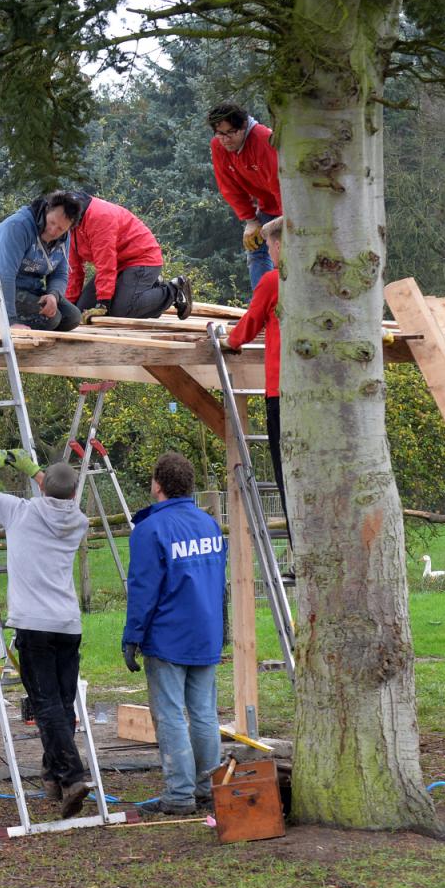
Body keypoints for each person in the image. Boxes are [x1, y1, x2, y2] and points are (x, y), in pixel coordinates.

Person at [0, 448, 93, 818]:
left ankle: (73, 777)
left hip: (34, 626)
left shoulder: (19, 511)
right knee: (62, 704)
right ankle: (54, 777)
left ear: (43, 489)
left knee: (46, 704)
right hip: (68, 625)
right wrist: (35, 470)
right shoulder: (78, 520)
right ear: (73, 492)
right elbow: (59, 496)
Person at [121, 452, 228, 816]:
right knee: (204, 714)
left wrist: (132, 636)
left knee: (169, 715)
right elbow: (219, 582)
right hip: (206, 632)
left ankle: (179, 795)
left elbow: (143, 589)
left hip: (168, 636)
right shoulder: (209, 525)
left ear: (158, 485)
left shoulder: (150, 530)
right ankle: (208, 789)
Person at [225, 216, 292, 549]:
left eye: (268, 246)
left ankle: (300, 552)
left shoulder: (273, 281)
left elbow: (250, 323)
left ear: (277, 246)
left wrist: (229, 341)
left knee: (286, 476)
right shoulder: (320, 283)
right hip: (315, 395)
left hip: (281, 391)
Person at [0, 190, 83, 332]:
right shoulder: (18, 226)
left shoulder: (65, 237)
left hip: (27, 288)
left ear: (69, 227)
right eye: (52, 222)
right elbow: (5, 275)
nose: (53, 231)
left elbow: (60, 274)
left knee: (72, 317)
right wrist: (10, 321)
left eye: (60, 229)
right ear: (47, 210)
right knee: (50, 320)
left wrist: (54, 295)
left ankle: (3, 315)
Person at [66, 193, 192, 321]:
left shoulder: (100, 217)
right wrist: (69, 306)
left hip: (141, 258)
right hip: (118, 264)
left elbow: (106, 263)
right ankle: (149, 296)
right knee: (81, 310)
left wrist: (102, 304)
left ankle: (174, 291)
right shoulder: (67, 225)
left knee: (121, 310)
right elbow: (73, 269)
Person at [208, 102, 282, 291]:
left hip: (288, 205)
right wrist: (250, 220)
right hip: (266, 205)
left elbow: (279, 183)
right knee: (255, 249)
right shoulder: (218, 145)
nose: (225, 139)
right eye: (220, 133)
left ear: (243, 126)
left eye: (230, 132)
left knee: (284, 253)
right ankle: (261, 302)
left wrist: (283, 221)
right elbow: (228, 187)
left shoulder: (263, 140)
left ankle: (284, 302)